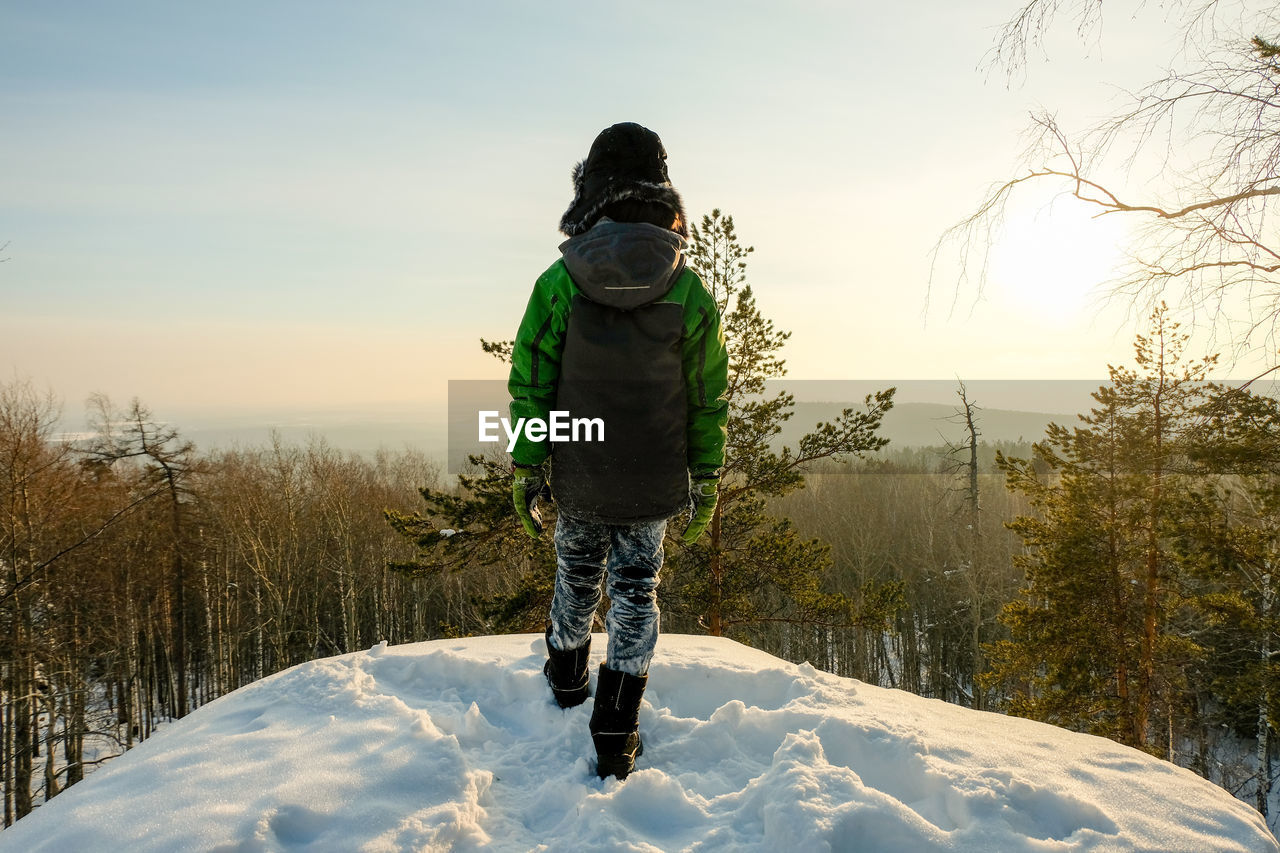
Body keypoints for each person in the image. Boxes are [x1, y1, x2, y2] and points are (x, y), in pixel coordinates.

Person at [506, 122, 729, 780]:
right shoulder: (688, 290)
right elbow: (708, 396)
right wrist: (706, 476)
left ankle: (568, 680)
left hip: (581, 469)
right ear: (663, 193)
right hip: (654, 477)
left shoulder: (558, 281)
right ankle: (615, 730)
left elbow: (531, 381)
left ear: (590, 191)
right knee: (636, 590)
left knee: (576, 577)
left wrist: (526, 465)